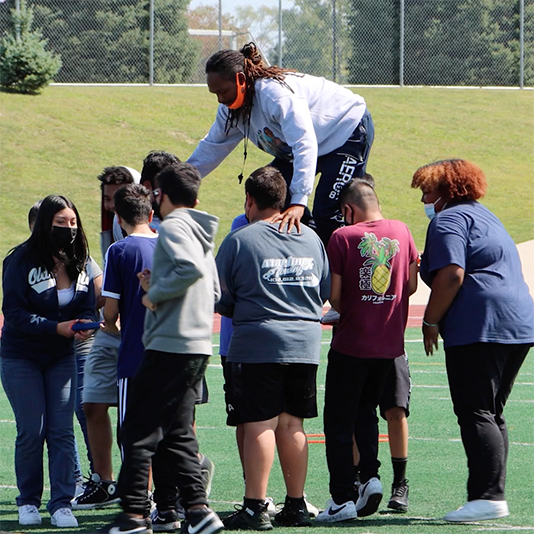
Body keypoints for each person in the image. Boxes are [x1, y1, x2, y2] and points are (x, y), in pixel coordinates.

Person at [94, 162, 223, 534]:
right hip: (197, 344)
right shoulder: (200, 231)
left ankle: (134, 514)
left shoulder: (174, 227)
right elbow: (211, 290)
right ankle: (198, 512)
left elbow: (187, 273)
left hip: (169, 344)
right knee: (179, 432)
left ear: (160, 197)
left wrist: (154, 293)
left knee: (137, 429)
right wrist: (162, 282)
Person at [412, 159, 534, 522]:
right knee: (491, 411)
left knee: (476, 410)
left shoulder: (448, 219)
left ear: (446, 191)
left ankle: (486, 496)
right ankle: (491, 493)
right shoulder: (486, 216)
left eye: (427, 191)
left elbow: (452, 274)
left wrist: (430, 320)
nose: (423, 198)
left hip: (480, 324)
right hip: (518, 322)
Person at [216, 166, 330, 530]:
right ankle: (296, 503)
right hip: (304, 343)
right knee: (293, 423)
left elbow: (222, 297)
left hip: (258, 342)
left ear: (249, 200)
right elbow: (324, 290)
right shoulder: (312, 239)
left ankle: (254, 506)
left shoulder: (240, 239)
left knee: (259, 425)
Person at [187, 42, 374, 246]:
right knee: (266, 193)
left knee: (327, 210)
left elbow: (305, 143)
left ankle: (341, 270)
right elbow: (212, 147)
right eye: (215, 94)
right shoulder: (231, 110)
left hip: (346, 131)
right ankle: (307, 251)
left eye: (223, 91)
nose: (220, 100)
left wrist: (299, 202)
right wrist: (180, 180)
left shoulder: (273, 95)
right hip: (307, 146)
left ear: (241, 80)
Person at [316, 180, 418, 523]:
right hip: (389, 347)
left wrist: (357, 308)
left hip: (351, 344)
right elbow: (411, 284)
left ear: (348, 210)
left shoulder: (343, 237)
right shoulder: (402, 231)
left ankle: (342, 496)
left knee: (339, 422)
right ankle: (370, 478)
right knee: (366, 414)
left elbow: (336, 296)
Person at [1, 195, 97, 528]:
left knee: (61, 431)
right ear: (45, 224)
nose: (68, 230)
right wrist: (55, 327)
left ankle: (61, 503)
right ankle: (28, 500)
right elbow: (12, 312)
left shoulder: (79, 260)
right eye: (61, 224)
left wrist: (85, 323)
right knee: (32, 430)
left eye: (72, 223)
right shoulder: (20, 260)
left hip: (61, 357)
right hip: (21, 356)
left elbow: (87, 303)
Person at [75, 165, 141, 510]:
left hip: (135, 330)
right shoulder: (114, 227)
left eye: (117, 197)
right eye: (107, 198)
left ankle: (168, 481)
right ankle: (105, 481)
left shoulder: (155, 230)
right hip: (111, 328)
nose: (111, 204)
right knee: (93, 403)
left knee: (144, 416)